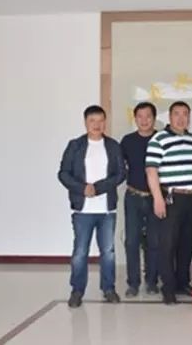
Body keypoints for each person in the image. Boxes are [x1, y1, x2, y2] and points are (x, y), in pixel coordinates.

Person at [58, 105, 126, 308]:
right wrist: (82, 188)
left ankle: (109, 289)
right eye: (92, 121)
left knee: (108, 252)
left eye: (100, 121)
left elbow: (121, 174)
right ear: (85, 123)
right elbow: (63, 173)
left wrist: (97, 188)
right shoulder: (75, 146)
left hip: (106, 210)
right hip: (82, 210)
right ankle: (77, 290)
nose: (97, 125)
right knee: (80, 252)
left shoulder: (113, 146)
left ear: (105, 122)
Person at [145, 101, 192, 305]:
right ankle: (168, 287)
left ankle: (182, 282)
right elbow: (151, 171)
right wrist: (157, 198)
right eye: (177, 114)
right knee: (167, 244)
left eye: (185, 114)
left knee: (187, 243)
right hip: (170, 198)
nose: (181, 118)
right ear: (169, 117)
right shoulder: (158, 139)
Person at [120, 102, 159, 298]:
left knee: (154, 241)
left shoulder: (161, 138)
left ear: (154, 118)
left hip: (156, 198)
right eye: (140, 117)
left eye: (148, 116)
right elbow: (121, 166)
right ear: (135, 118)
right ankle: (133, 283)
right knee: (131, 241)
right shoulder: (127, 141)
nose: (144, 120)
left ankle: (152, 281)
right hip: (133, 196)